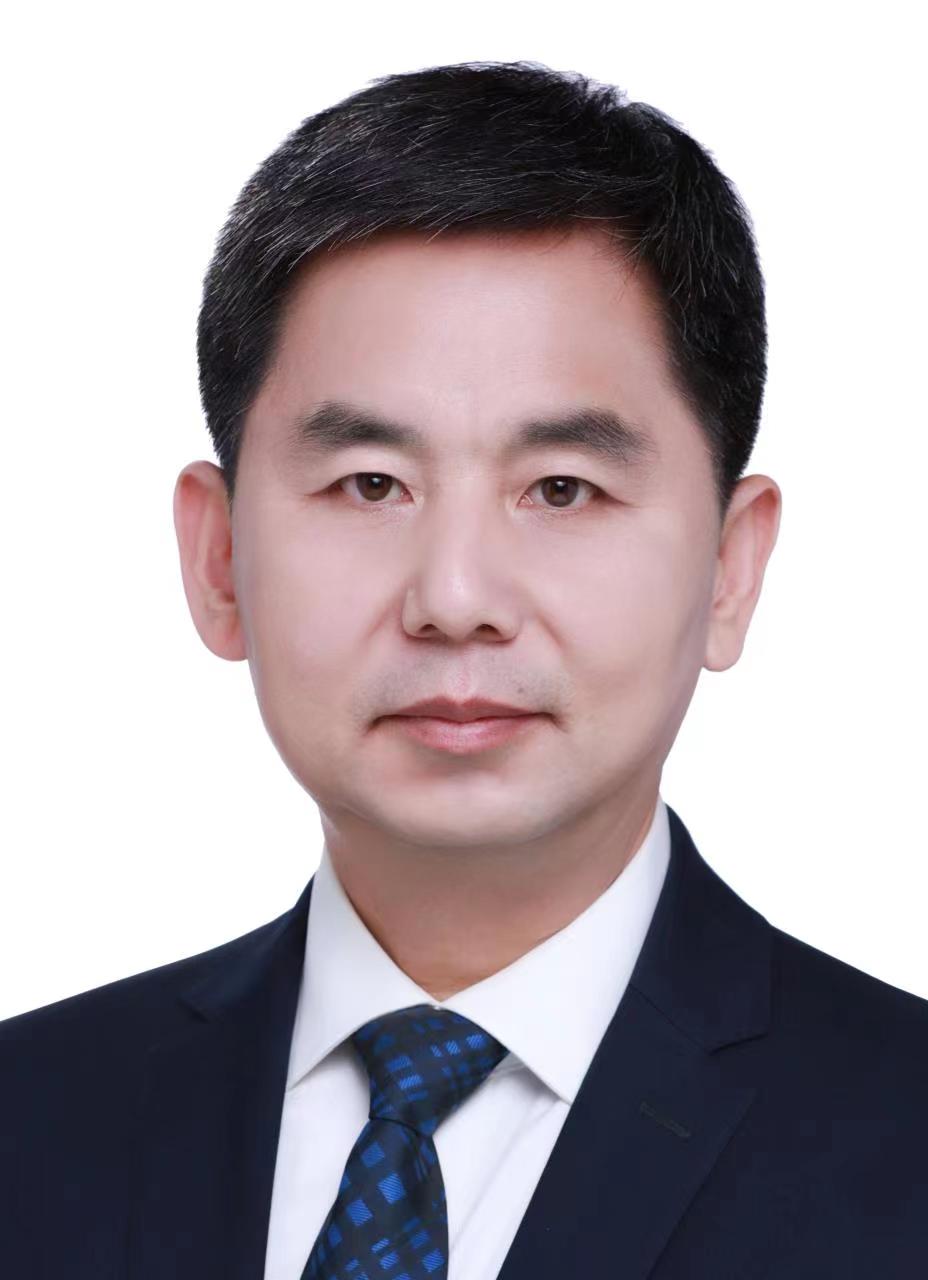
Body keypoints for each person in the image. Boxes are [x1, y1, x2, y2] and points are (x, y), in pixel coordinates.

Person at [2, 58, 926, 1278]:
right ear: (218, 557)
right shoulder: (29, 1119)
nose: (454, 599)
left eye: (562, 488)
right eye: (369, 484)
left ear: (729, 567)